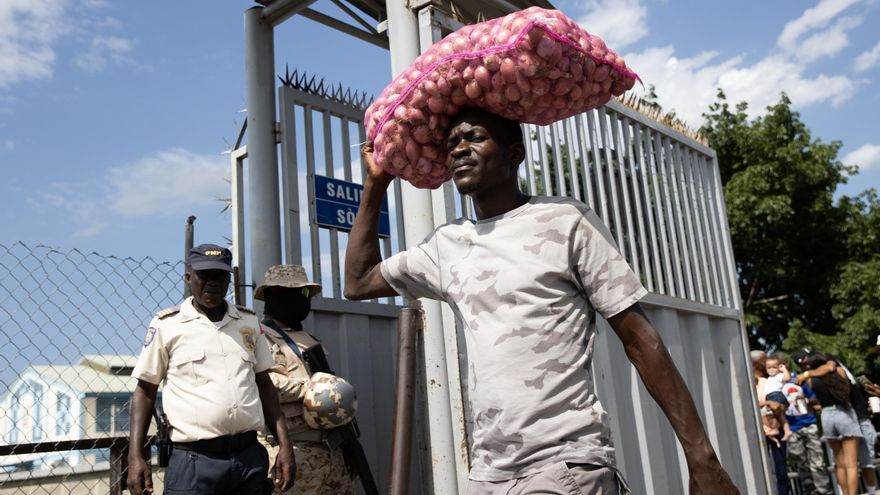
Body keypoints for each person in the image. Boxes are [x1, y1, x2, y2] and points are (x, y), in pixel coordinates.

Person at [344, 107, 738, 494]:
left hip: (564, 464)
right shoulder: (447, 245)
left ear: (515, 154)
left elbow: (639, 338)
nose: (460, 149)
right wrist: (376, 184)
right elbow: (358, 282)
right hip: (488, 473)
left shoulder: (565, 220)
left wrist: (701, 456)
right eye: (452, 144)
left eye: (476, 138)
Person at [127, 244, 295, 495]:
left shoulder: (247, 323)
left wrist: (285, 445)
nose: (213, 283)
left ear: (229, 279)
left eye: (220, 276)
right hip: (194, 462)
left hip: (248, 460)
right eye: (204, 275)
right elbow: (145, 392)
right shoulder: (167, 326)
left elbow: (265, 387)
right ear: (188, 277)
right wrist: (135, 456)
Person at [254, 264, 355, 495]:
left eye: (305, 293)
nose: (302, 299)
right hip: (289, 452)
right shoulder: (258, 338)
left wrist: (347, 446)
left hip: (330, 450)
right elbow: (265, 386)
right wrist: (314, 387)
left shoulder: (309, 339)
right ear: (273, 295)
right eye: (296, 293)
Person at [794, 349, 878, 495]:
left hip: (826, 415)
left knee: (839, 464)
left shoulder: (810, 379)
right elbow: (836, 373)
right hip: (844, 413)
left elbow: (815, 398)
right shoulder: (839, 371)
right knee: (851, 464)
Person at [781, 357, 833, 495]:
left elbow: (814, 399)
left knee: (818, 461)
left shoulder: (798, 380)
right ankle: (809, 491)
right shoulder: (774, 385)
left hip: (808, 423)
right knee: (801, 464)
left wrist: (804, 400)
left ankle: (824, 491)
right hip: (792, 427)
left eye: (781, 366)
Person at [752, 350, 790, 495]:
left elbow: (782, 404)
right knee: (761, 470)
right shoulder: (748, 384)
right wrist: (768, 402)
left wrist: (773, 404)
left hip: (776, 428)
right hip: (759, 430)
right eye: (762, 361)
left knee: (781, 471)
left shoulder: (769, 382)